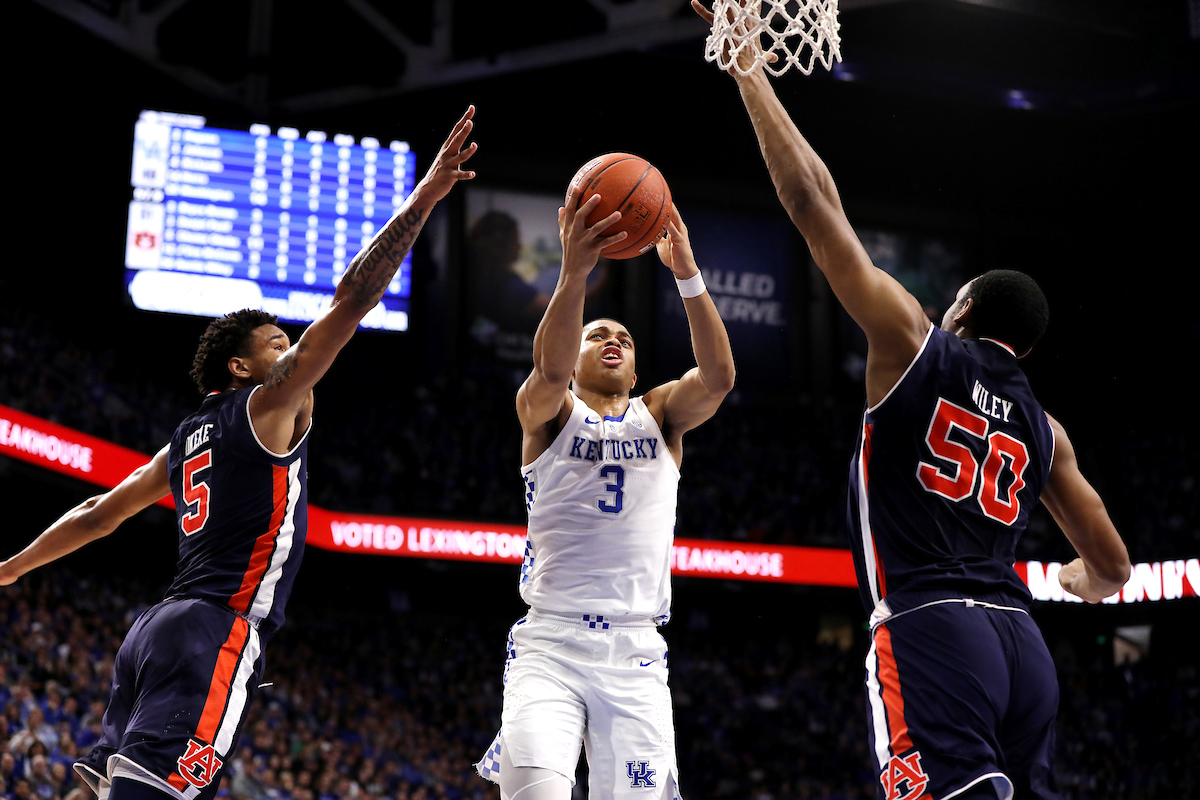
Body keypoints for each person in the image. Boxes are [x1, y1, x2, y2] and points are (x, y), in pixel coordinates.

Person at [691, 2, 1132, 797]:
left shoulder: (913, 341)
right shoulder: (1048, 430)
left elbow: (813, 203)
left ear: (960, 309)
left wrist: (749, 71)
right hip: (1023, 651)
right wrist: (1071, 583)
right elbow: (1113, 567)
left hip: (932, 627)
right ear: (1023, 346)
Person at [0, 107, 478, 800]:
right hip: (212, 628)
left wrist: (12, 567)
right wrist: (423, 198)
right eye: (280, 346)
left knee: (98, 790)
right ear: (243, 370)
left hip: (152, 631)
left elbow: (101, 513)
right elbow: (354, 297)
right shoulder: (268, 404)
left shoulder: (184, 440)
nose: (295, 354)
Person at [475, 189, 736, 800]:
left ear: (639, 370)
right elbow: (548, 371)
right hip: (551, 644)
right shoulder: (548, 413)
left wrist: (689, 276)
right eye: (597, 335)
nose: (612, 339)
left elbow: (719, 377)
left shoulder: (662, 415)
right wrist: (574, 274)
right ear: (577, 354)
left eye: (623, 336)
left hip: (636, 651)